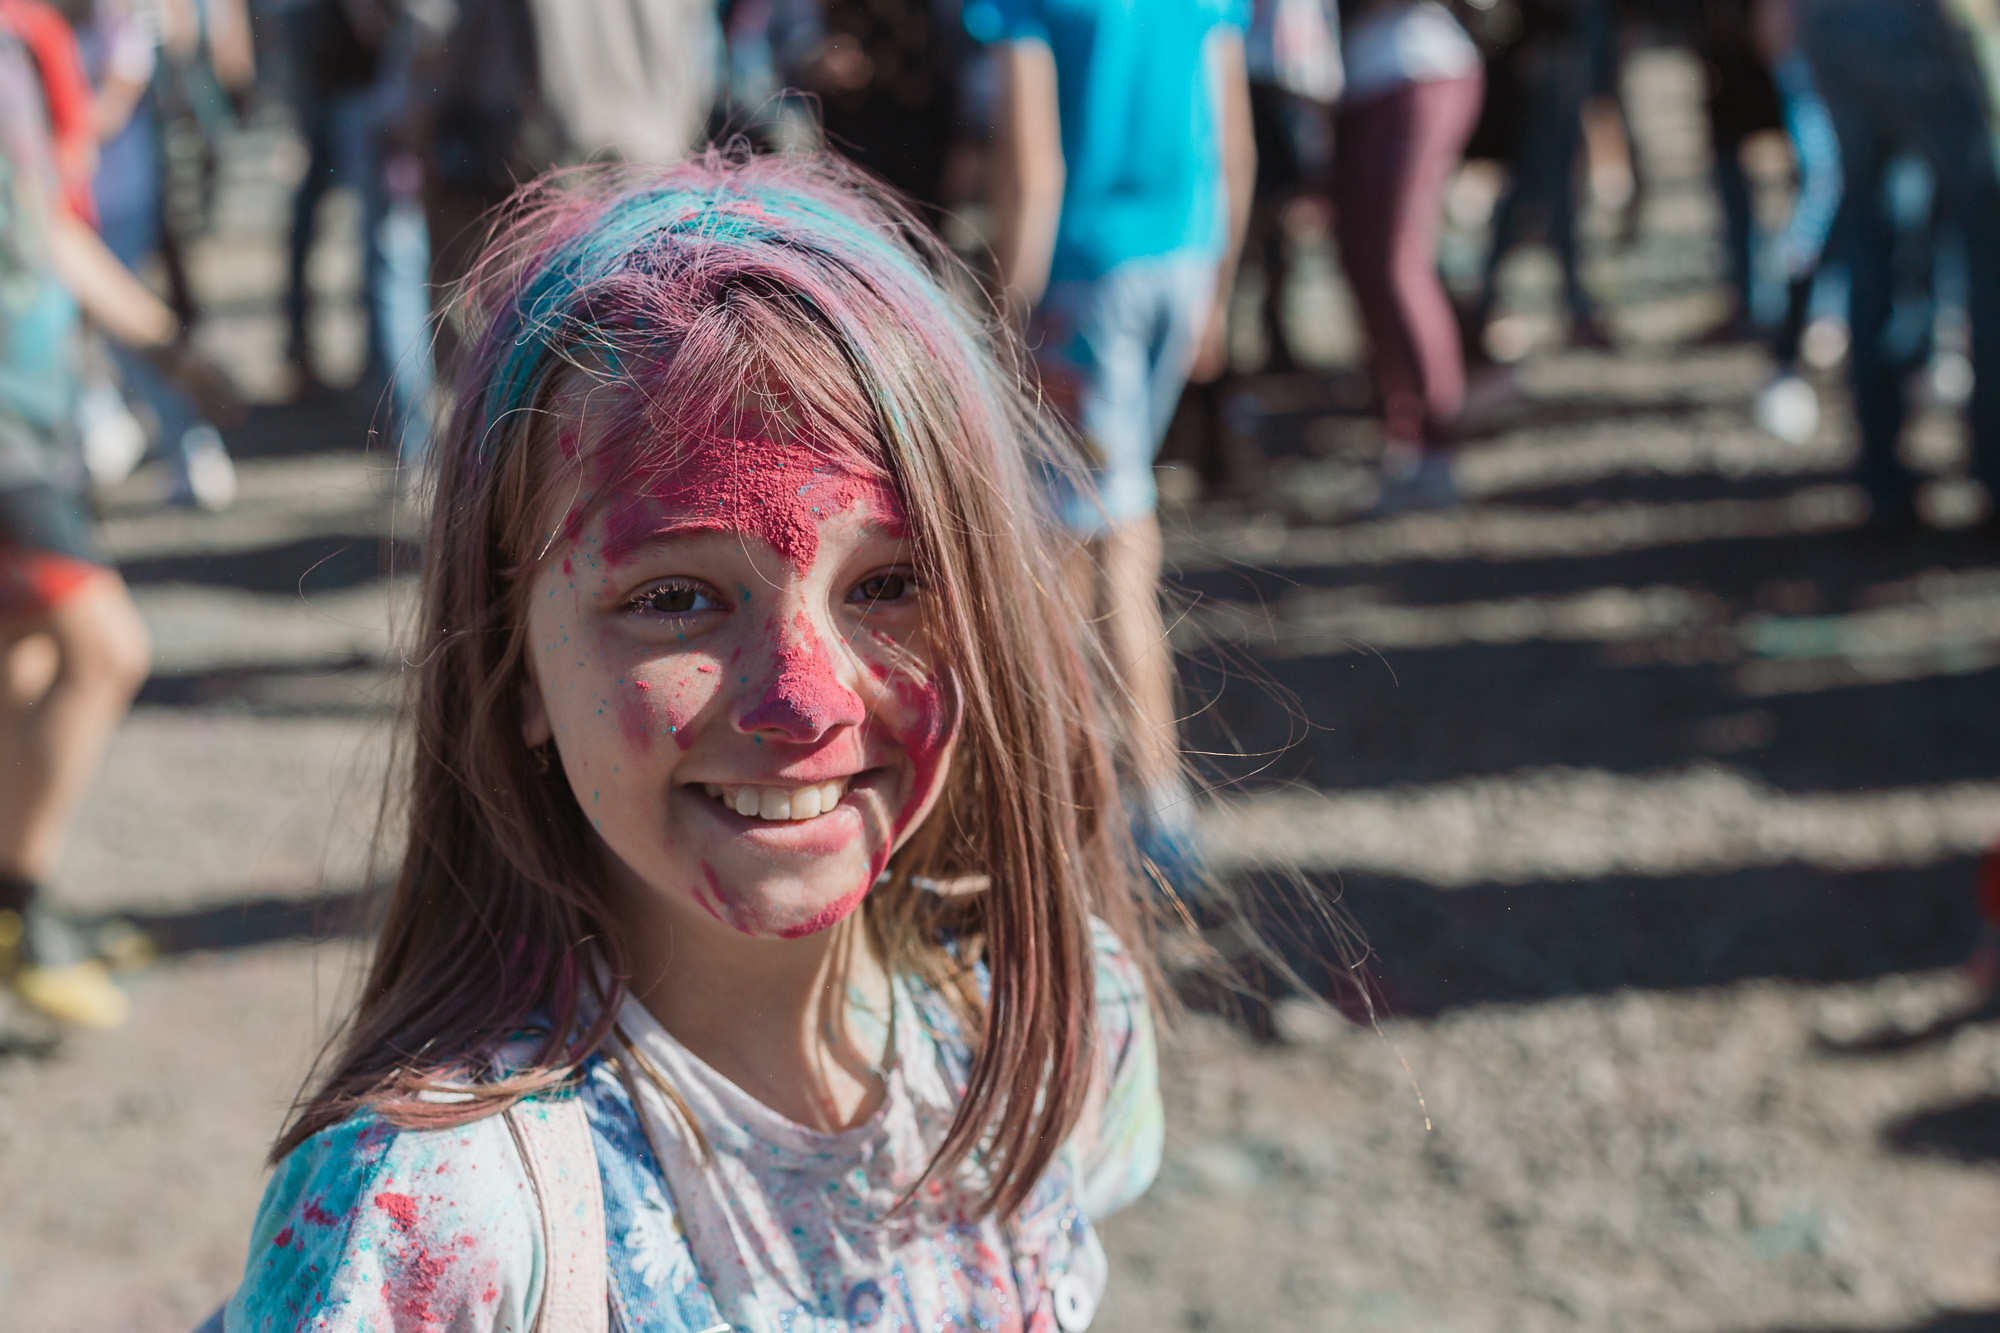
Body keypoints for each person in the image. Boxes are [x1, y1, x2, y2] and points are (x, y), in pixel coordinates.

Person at [210, 153, 1164, 1332]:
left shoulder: (1046, 1038)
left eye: (892, 582)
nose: (804, 702)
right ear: (514, 671)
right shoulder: (435, 1222)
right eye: (673, 598)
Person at [980, 0, 1256, 883]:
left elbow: (1034, 168)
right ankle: (1137, 802)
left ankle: (1109, 807)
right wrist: (1218, 290)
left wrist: (999, 320)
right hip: (1182, 257)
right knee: (1118, 529)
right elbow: (1234, 150)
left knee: (1081, 556)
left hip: (1083, 279)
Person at [0, 10, 232, 1028]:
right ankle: (20, 914)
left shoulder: (23, 45)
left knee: (29, 664)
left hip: (39, 410)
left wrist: (167, 346)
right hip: (6, 431)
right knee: (106, 648)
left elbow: (50, 225)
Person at [1797, 0, 2000, 534]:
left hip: (1830, 27)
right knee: (1986, 246)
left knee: (1872, 237)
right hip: (1921, 28)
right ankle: (1991, 470)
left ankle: (1881, 479)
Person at [1333, 0, 1484, 511]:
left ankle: (1438, 447)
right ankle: (1405, 437)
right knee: (1364, 267)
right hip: (1360, 83)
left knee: (1400, 262)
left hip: (1415, 69)